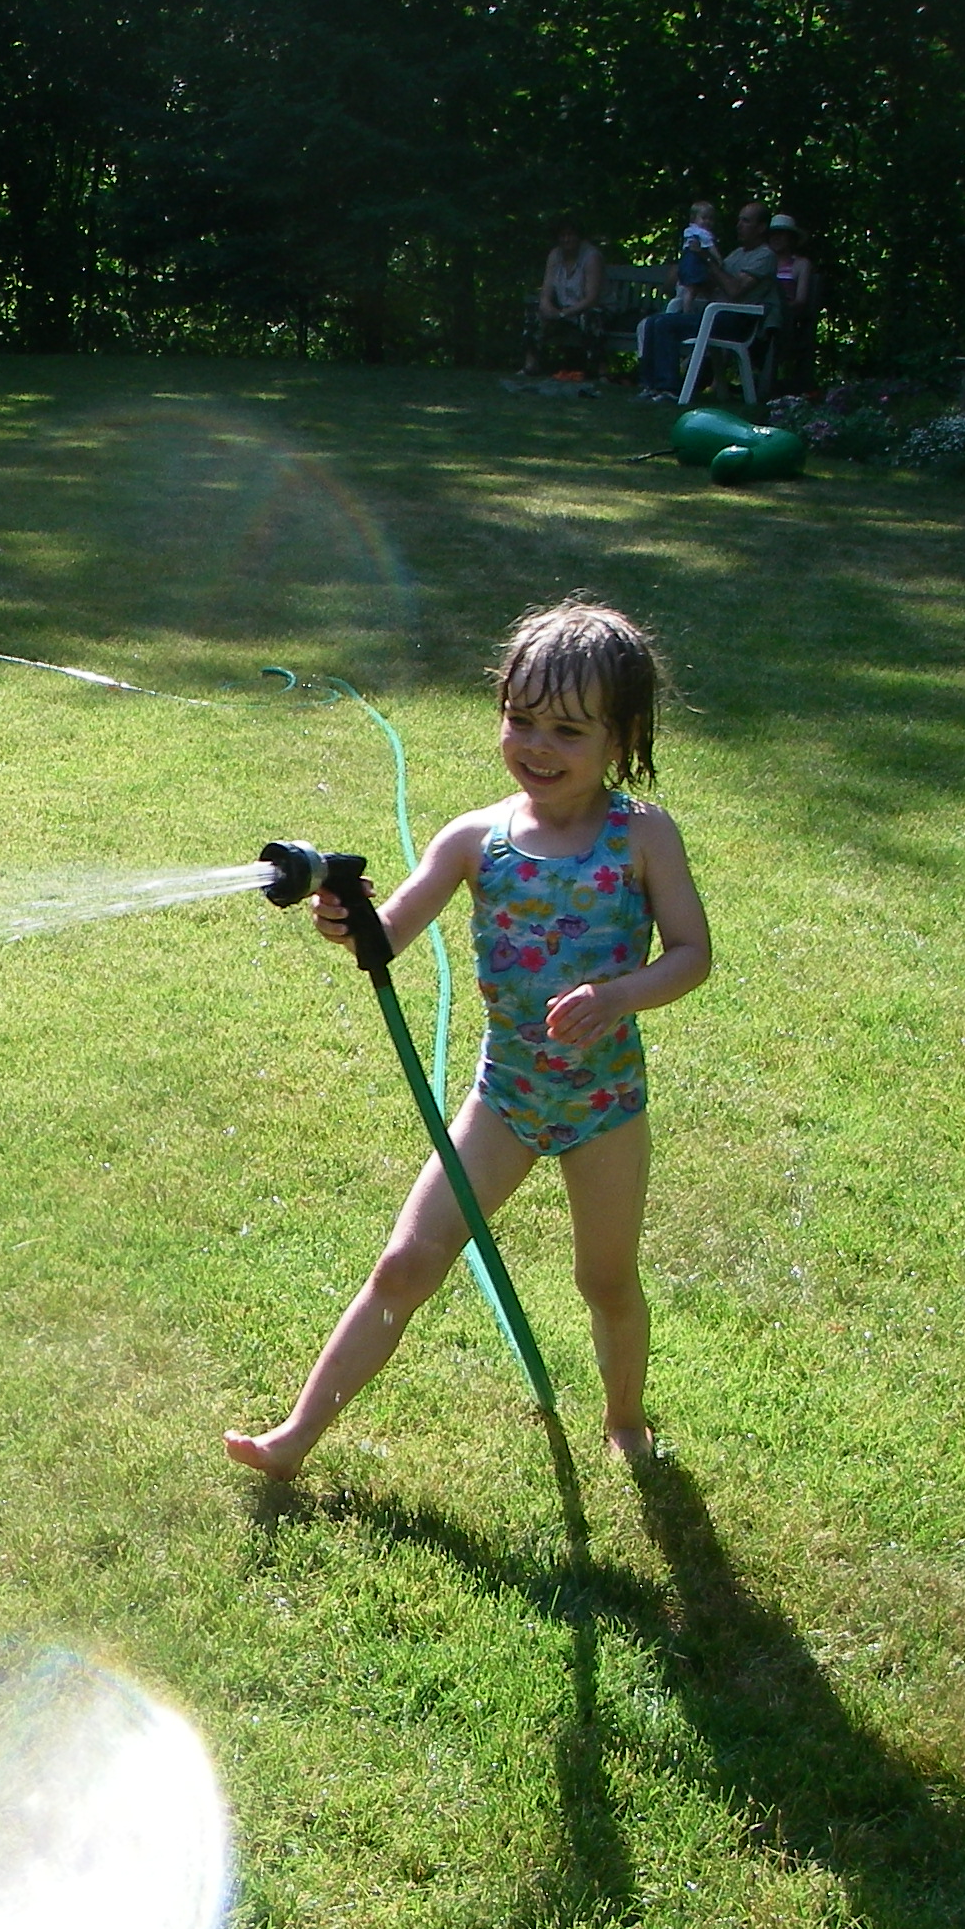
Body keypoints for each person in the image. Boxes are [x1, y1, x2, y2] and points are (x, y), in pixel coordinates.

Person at [224, 601, 713, 1475]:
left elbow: (690, 955)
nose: (537, 747)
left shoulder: (643, 836)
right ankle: (294, 1438)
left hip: (603, 1102)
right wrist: (348, 921)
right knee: (405, 1263)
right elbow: (386, 937)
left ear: (623, 736)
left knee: (605, 1280)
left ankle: (626, 1420)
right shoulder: (473, 841)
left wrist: (616, 996)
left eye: (568, 730)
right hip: (504, 1098)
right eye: (520, 719)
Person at [637, 201, 779, 400]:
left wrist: (707, 259)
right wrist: (690, 269)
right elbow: (713, 284)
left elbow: (735, 290)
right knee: (653, 322)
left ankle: (668, 389)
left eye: (746, 221)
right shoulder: (737, 254)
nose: (738, 225)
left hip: (737, 321)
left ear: (761, 227)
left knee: (664, 325)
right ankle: (650, 386)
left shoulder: (765, 256)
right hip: (716, 314)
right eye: (739, 220)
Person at [521, 219, 609, 376]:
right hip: (563, 309)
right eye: (562, 235)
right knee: (534, 313)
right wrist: (547, 307)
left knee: (590, 318)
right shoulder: (555, 256)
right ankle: (531, 364)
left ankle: (600, 371)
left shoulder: (591, 257)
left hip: (592, 308)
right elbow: (546, 292)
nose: (566, 239)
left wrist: (565, 313)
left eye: (570, 235)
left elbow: (592, 298)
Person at [767, 213, 818, 394]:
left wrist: (781, 308)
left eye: (782, 234)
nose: (777, 238)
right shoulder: (762, 261)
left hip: (784, 319)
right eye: (773, 234)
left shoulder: (801, 264)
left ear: (791, 238)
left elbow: (801, 300)